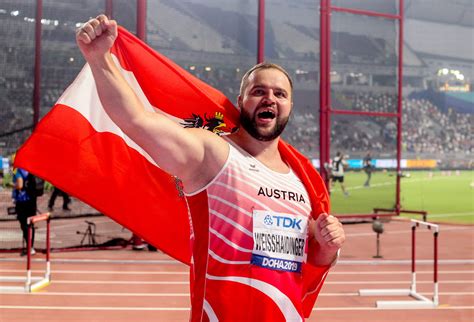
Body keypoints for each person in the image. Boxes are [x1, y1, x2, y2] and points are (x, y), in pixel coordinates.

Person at [76, 15, 345, 321]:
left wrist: (327, 246)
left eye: (280, 94)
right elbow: (138, 122)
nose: (269, 97)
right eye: (259, 91)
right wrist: (100, 60)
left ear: (290, 107)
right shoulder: (214, 153)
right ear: (241, 100)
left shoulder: (304, 181)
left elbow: (309, 261)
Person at [12, 168, 37, 256]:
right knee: (31, 224)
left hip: (22, 201)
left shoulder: (18, 172)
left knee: (24, 224)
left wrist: (12, 185)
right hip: (32, 200)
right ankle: (31, 247)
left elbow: (20, 185)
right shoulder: (31, 170)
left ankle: (29, 247)